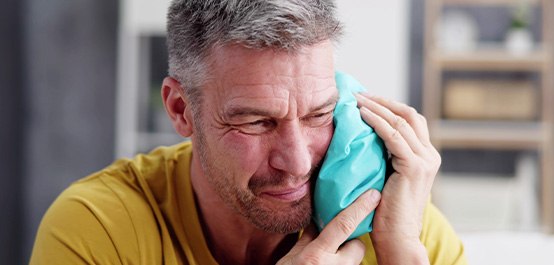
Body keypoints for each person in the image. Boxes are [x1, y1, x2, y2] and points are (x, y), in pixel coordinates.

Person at [30, 0, 467, 264]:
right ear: (181, 109)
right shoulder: (100, 227)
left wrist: (402, 254)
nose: (297, 162)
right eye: (257, 121)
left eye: (319, 114)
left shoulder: (396, 220)